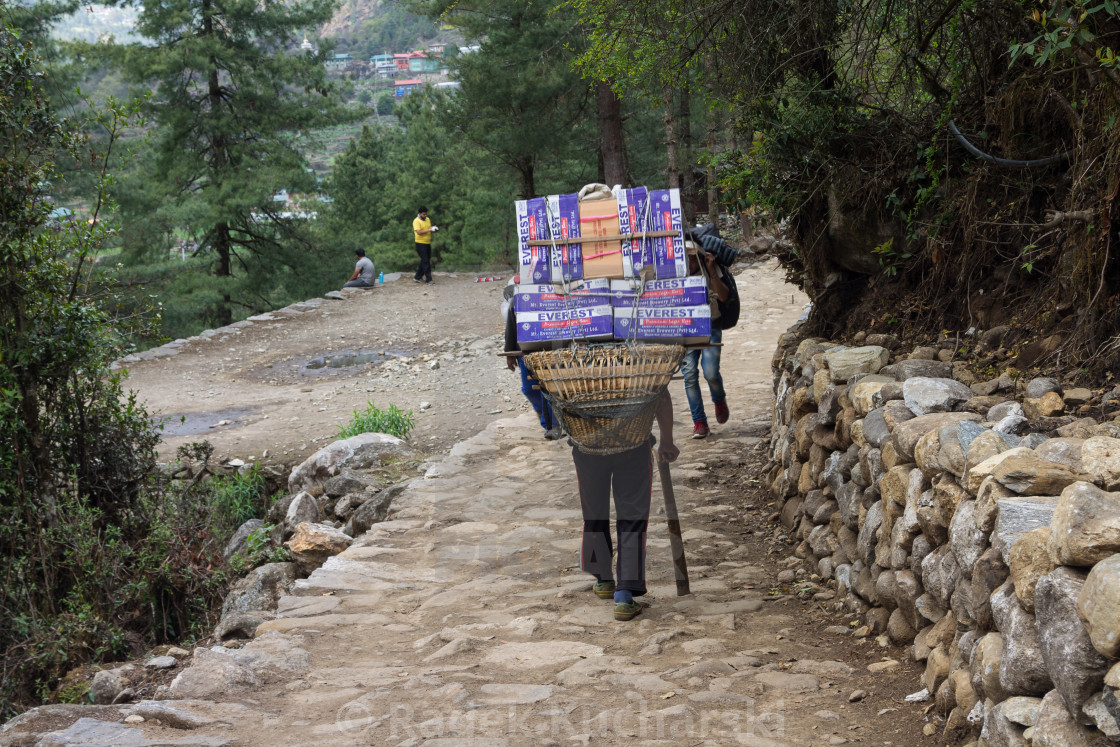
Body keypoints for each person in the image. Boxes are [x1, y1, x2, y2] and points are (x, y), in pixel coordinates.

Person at [574, 389, 678, 621]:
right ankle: (624, 595)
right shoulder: (641, 359)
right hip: (634, 445)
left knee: (593, 513)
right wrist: (667, 440)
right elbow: (661, 394)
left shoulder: (574, 361)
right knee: (632, 518)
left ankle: (603, 580)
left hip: (587, 446)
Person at [681, 237, 738, 438]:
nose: (689, 263)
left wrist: (712, 270)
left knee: (711, 371)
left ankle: (719, 399)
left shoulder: (709, 269)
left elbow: (723, 296)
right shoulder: (675, 275)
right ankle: (699, 422)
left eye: (693, 258)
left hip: (711, 325)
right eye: (685, 258)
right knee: (689, 375)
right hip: (685, 330)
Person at [502, 277, 562, 439]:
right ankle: (542, 413)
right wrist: (509, 353)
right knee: (529, 389)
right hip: (526, 352)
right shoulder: (518, 301)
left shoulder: (554, 294)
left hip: (551, 350)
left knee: (548, 388)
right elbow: (511, 327)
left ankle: (552, 425)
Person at [412, 206, 437, 284]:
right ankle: (429, 279)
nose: (425, 215)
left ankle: (417, 277)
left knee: (425, 260)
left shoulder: (427, 219)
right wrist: (429, 230)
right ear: (419, 213)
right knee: (425, 261)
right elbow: (418, 232)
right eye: (424, 214)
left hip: (427, 243)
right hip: (420, 243)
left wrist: (433, 228)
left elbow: (428, 228)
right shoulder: (416, 221)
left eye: (426, 214)